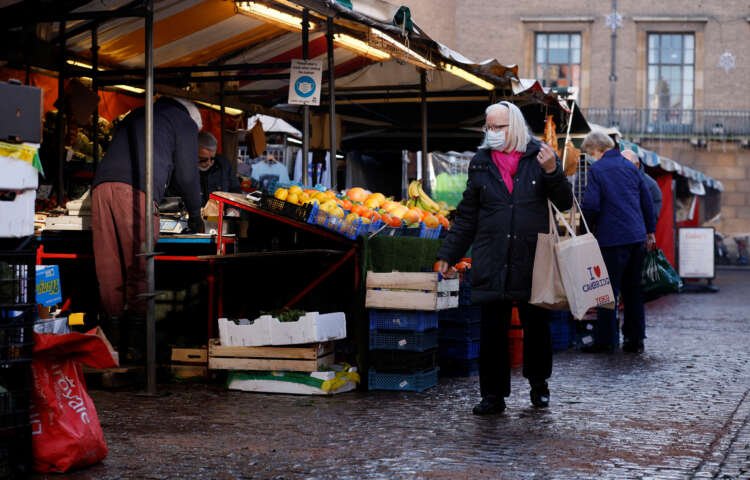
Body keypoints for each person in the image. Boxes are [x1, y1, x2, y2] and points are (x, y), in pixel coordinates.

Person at [435, 101, 573, 415]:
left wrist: (553, 171)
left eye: (499, 127)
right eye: (489, 127)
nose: (492, 132)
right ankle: (493, 396)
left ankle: (539, 384)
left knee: (536, 326)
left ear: (515, 126)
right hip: (491, 257)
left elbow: (564, 202)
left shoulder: (540, 156)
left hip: (530, 257)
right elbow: (468, 216)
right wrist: (448, 255)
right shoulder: (481, 163)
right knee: (492, 331)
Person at [91, 96, 204, 362]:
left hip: (101, 187)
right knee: (141, 266)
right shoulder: (185, 123)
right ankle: (136, 348)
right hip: (135, 191)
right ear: (193, 120)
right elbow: (187, 176)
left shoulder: (138, 113)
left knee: (109, 267)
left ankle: (112, 344)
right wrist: (196, 214)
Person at [580, 131, 656, 354]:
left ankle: (607, 340)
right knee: (633, 291)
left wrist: (586, 228)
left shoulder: (597, 169)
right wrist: (649, 230)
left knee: (606, 292)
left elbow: (591, 204)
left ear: (596, 150)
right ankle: (635, 339)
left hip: (611, 238)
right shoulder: (630, 167)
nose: (589, 157)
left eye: (589, 153)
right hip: (636, 237)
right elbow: (647, 201)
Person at [197, 131, 241, 205]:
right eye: (203, 159)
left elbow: (235, 189)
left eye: (212, 158)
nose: (209, 163)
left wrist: (233, 209)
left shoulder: (224, 165)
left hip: (221, 214)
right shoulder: (182, 169)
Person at [621, 149, 662, 225]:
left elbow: (653, 215)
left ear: (637, 165)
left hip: (638, 231)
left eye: (625, 163)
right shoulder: (615, 180)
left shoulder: (650, 185)